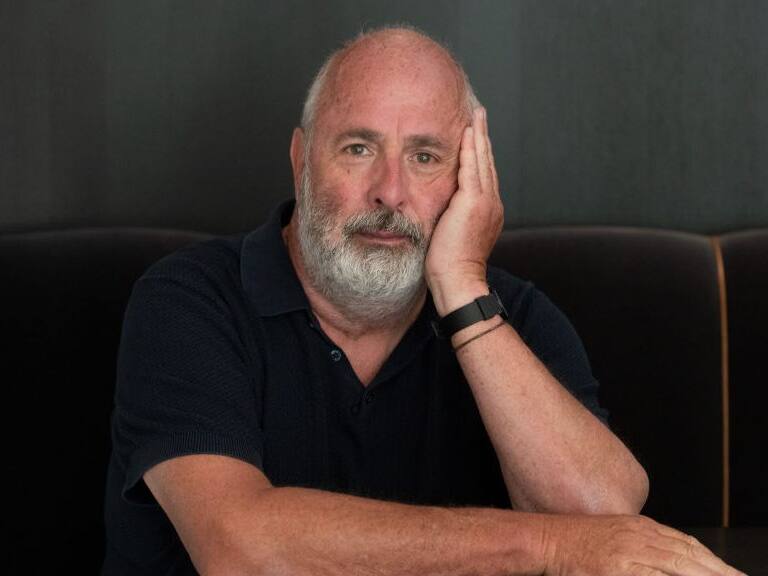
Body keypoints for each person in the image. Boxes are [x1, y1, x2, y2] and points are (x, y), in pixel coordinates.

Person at [103, 25, 743, 576]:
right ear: (301, 159)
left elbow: (606, 519)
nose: (390, 191)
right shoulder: (188, 300)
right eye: (358, 148)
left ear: (472, 176)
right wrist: (549, 546)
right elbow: (238, 549)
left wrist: (464, 290)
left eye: (426, 156)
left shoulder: (507, 314)